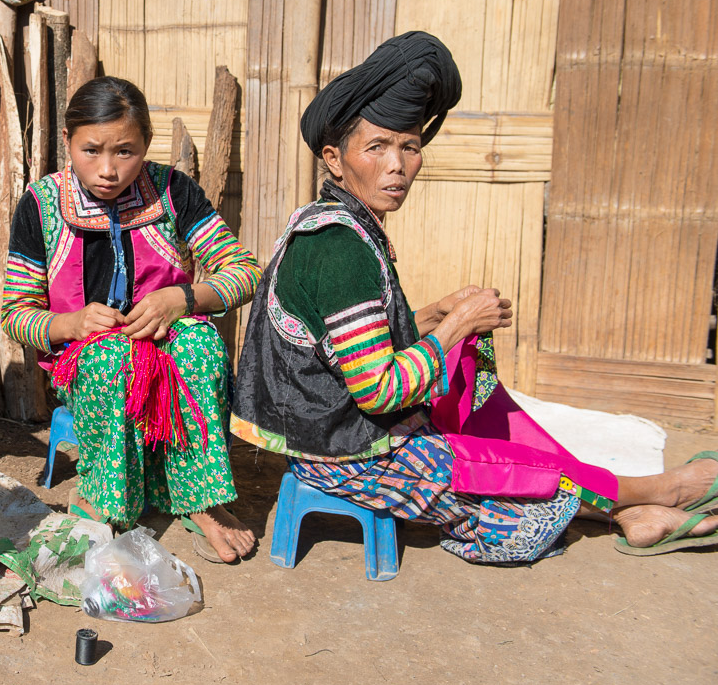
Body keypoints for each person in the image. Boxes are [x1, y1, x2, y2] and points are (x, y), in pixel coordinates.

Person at [232, 31, 718, 565]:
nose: (397, 164)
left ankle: (636, 510)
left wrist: (434, 314)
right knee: (516, 478)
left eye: (410, 146)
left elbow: (347, 346)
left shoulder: (331, 221)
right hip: (345, 452)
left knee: (495, 432)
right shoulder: (340, 246)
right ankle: (659, 494)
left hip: (327, 427)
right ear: (334, 157)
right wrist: (456, 327)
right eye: (377, 147)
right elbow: (378, 388)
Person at [0, 76, 262, 563]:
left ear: (145, 145)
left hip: (168, 341)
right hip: (87, 356)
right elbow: (15, 315)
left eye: (125, 152)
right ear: (67, 142)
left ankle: (202, 500)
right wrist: (71, 323)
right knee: (112, 360)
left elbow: (245, 273)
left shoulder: (172, 192)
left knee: (201, 346)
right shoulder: (41, 205)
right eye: (91, 150)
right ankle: (105, 499)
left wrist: (182, 299)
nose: (107, 169)